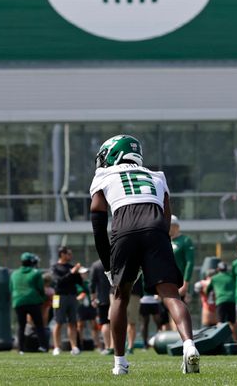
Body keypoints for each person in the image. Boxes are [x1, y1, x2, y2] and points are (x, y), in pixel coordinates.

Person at [89, 134, 200, 376]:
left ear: (113, 154)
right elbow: (166, 215)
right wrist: (159, 240)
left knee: (120, 296)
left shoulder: (104, 175)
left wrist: (109, 266)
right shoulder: (157, 176)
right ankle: (189, 346)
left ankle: (120, 362)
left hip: (125, 226)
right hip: (156, 228)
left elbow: (98, 222)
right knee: (171, 294)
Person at [50, 246, 84, 356]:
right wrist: (71, 272)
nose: (71, 256)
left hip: (72, 296)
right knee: (58, 322)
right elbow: (58, 282)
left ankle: (74, 346)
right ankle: (56, 347)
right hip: (59, 297)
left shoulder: (71, 267)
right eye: (69, 254)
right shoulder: (55, 267)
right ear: (62, 254)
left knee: (73, 322)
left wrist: (78, 273)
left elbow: (79, 282)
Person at [11, 252, 47, 353]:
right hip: (33, 301)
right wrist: (42, 299)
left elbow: (11, 288)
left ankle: (21, 349)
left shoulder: (14, 273)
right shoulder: (36, 273)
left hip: (18, 302)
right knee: (39, 325)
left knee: (21, 326)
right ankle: (43, 346)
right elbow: (40, 288)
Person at [87, 259, 112, 354]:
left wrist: (93, 298)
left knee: (105, 323)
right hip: (116, 297)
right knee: (115, 322)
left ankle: (107, 347)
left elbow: (92, 283)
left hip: (102, 299)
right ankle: (115, 347)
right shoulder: (115, 262)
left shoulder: (96, 265)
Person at [169, 216, 196, 300]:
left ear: (176, 227)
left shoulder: (185, 240)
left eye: (169, 225)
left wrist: (185, 284)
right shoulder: (165, 241)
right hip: (166, 284)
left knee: (179, 310)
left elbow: (190, 263)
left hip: (179, 284)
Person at [209, 261, 235, 335]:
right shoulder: (231, 276)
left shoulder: (214, 278)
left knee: (220, 322)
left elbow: (208, 289)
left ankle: (220, 340)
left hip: (221, 301)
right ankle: (234, 339)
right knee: (232, 322)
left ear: (218, 269)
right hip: (232, 300)